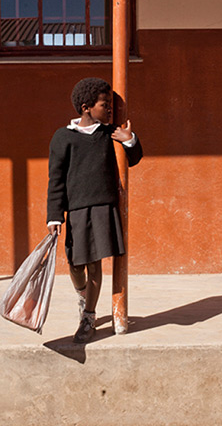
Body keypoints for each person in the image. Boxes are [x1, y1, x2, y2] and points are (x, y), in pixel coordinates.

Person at [47, 77, 143, 343]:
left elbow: (133, 159)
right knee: (75, 265)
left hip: (103, 209)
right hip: (76, 212)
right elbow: (55, 180)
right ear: (87, 107)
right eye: (105, 105)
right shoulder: (62, 138)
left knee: (94, 264)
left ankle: (88, 317)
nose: (110, 109)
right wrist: (54, 215)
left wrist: (130, 139)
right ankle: (83, 294)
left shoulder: (110, 134)